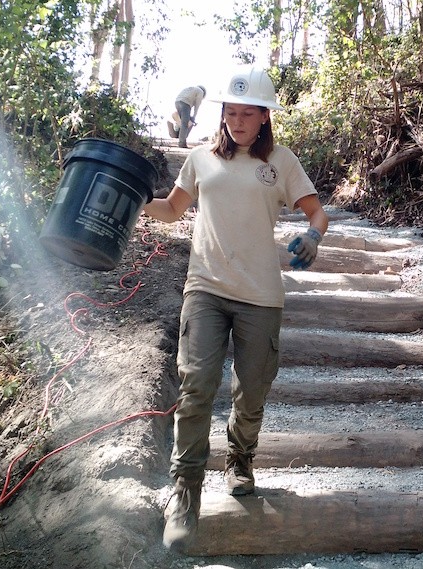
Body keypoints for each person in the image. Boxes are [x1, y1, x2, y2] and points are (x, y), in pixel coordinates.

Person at [142, 65, 329, 552]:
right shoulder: (201, 159)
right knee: (197, 384)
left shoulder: (281, 161)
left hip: (261, 295)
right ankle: (185, 493)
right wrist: (138, 200)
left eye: (250, 113)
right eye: (232, 111)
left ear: (265, 117)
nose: (239, 121)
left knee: (251, 392)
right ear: (221, 112)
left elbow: (317, 210)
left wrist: (312, 235)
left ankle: (240, 457)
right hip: (204, 287)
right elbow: (172, 209)